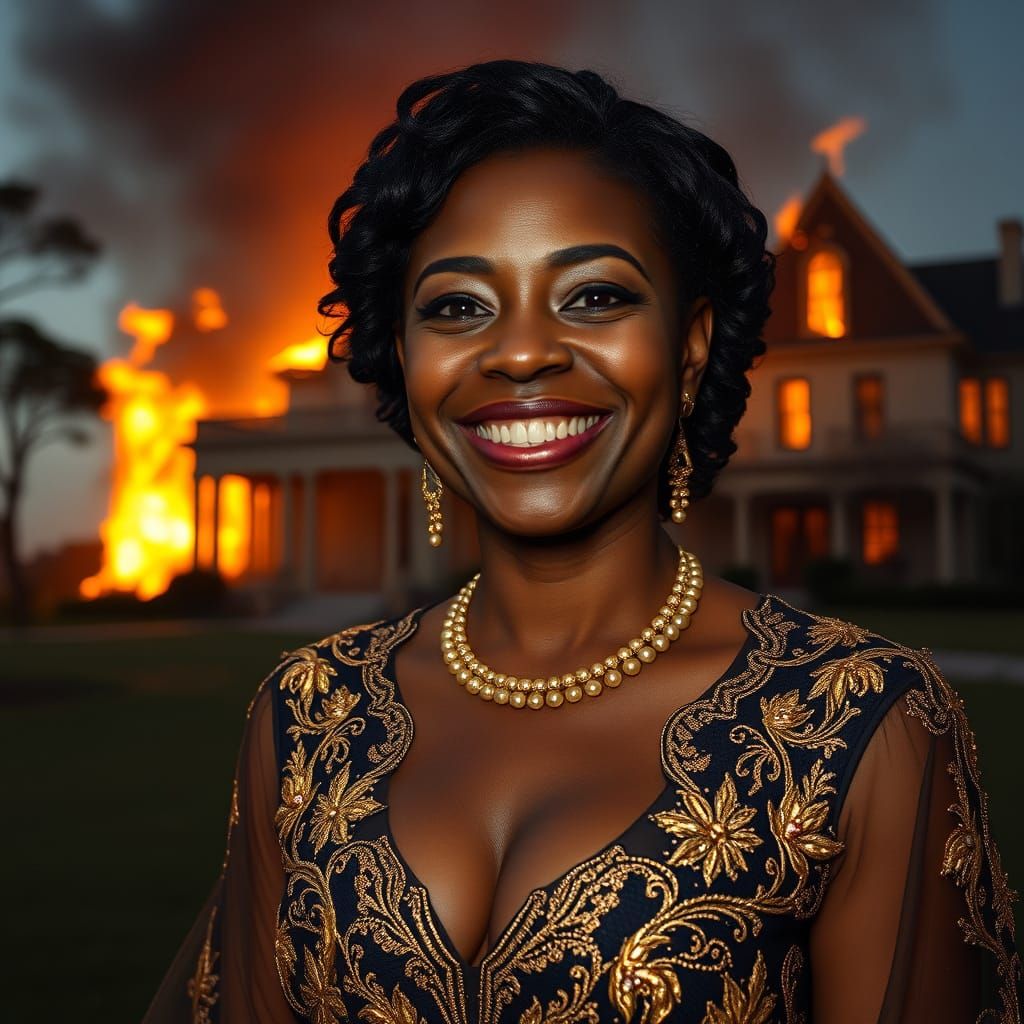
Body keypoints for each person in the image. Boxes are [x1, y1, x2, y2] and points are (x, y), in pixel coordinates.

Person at [142, 60, 1021, 1023]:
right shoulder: (307, 714)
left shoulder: (862, 727)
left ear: (689, 348)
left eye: (595, 296)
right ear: (404, 356)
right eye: (457, 306)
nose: (521, 352)